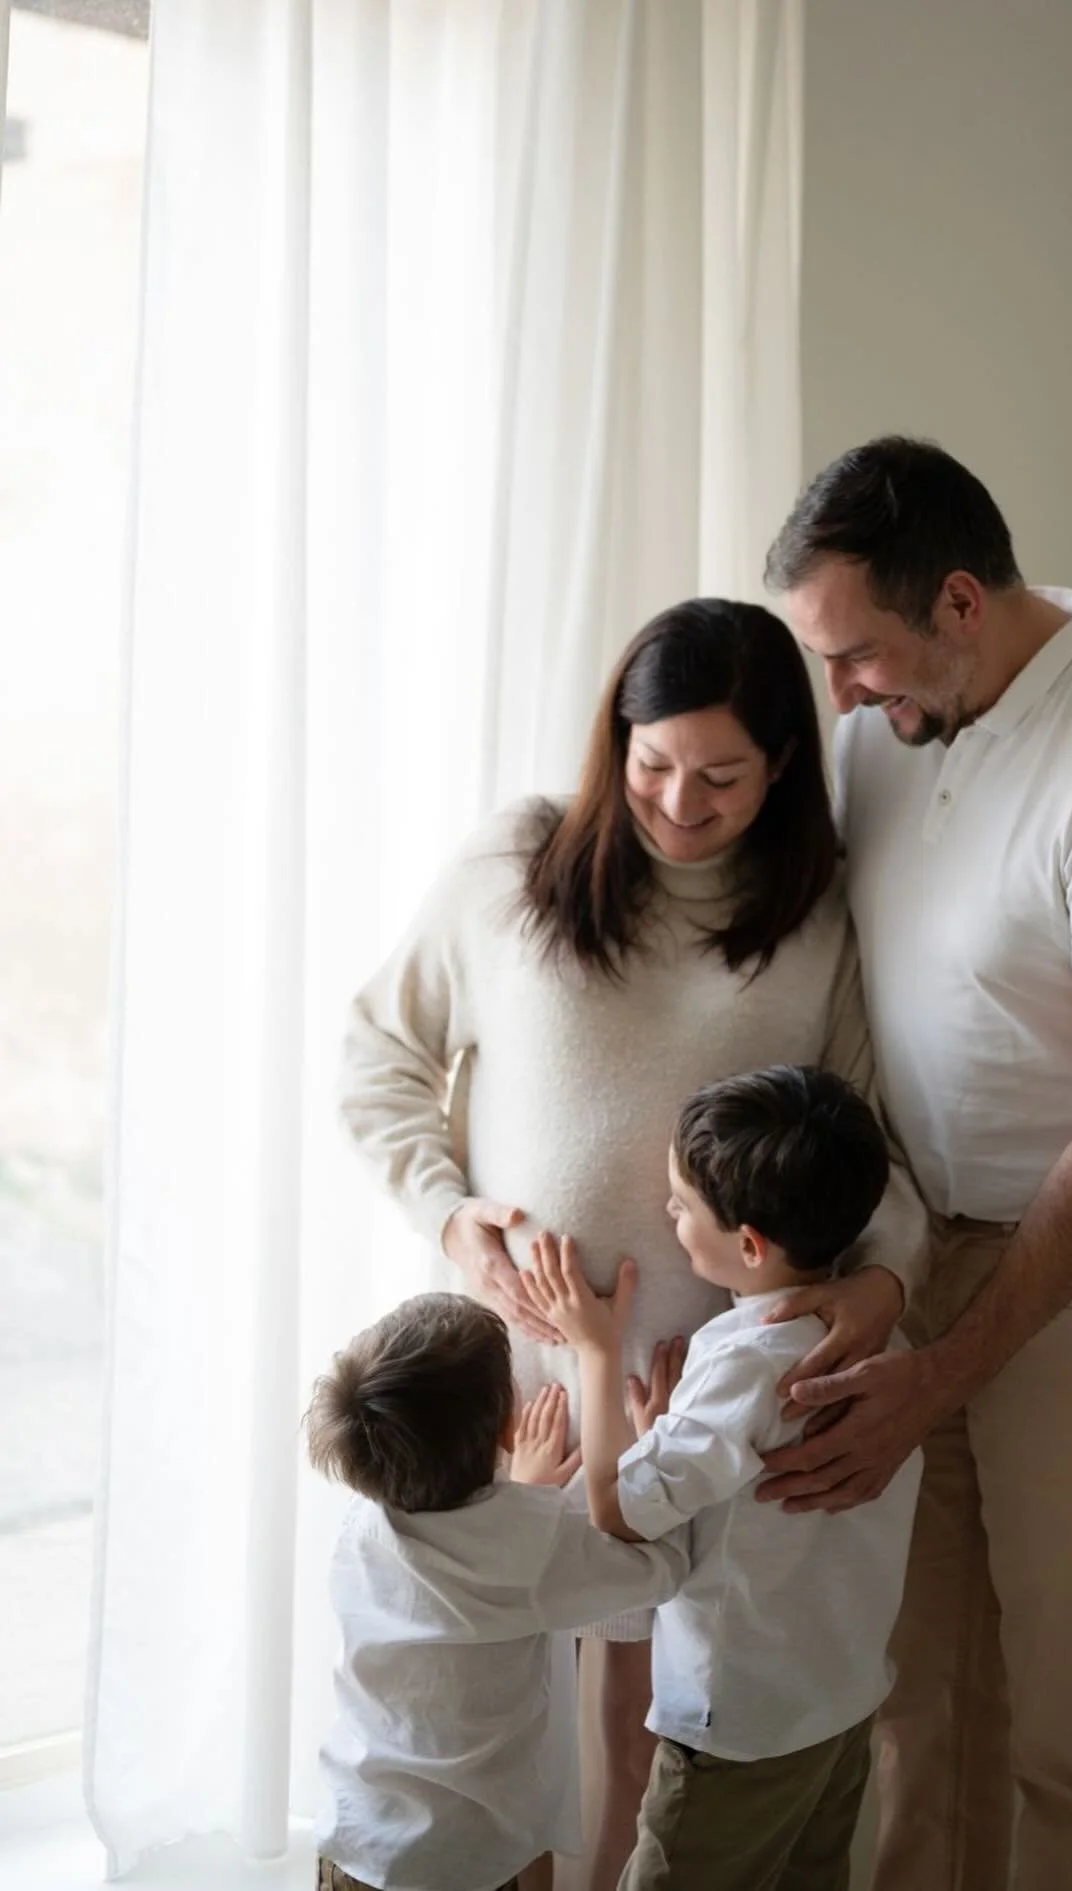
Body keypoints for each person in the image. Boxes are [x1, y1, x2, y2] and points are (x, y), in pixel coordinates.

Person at [336, 598, 927, 1887]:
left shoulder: (814, 921)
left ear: (781, 764)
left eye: (720, 774)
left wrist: (882, 1285)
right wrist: (449, 1208)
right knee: (463, 1699)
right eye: (651, 763)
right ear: (616, 742)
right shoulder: (515, 868)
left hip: (682, 1404)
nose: (677, 801)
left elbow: (869, 1151)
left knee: (645, 1717)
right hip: (515, 1381)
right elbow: (377, 1055)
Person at [757, 437, 1072, 1891]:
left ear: (960, 604)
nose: (839, 691)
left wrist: (945, 1362)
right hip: (926, 1250)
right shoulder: (888, 731)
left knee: (1068, 1739)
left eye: (855, 655)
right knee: (923, 1715)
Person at [524, 1065, 923, 1891]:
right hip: (837, 1703)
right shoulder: (887, 1347)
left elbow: (617, 1511)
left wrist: (595, 1350)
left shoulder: (742, 1363)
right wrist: (670, 1434)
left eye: (679, 1205)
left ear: (748, 1245)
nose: (668, 1214)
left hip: (737, 1723)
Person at [304, 1291, 689, 1891]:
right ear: (509, 1426)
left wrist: (524, 1499)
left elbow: (473, 1554)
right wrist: (639, 1420)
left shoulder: (362, 1525)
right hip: (468, 1864)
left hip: (357, 1843)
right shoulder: (532, 1548)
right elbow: (657, 1568)